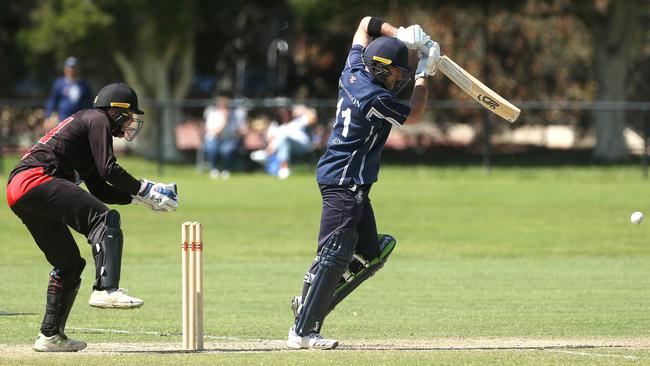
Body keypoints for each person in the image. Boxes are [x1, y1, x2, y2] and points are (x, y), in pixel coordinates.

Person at [286, 17, 439, 349]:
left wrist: (399, 34)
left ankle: (311, 302)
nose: (400, 78)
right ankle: (303, 330)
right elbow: (415, 115)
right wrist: (426, 71)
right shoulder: (375, 97)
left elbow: (364, 24)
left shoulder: (353, 68)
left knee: (373, 252)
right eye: (398, 72)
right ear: (382, 70)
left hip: (349, 179)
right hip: (345, 180)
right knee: (335, 251)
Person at [6, 82, 179, 352]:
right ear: (116, 111)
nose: (131, 121)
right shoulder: (97, 118)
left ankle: (50, 336)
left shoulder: (86, 131)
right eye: (130, 115)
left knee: (69, 264)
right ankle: (106, 289)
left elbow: (100, 188)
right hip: (36, 180)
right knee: (104, 219)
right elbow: (109, 169)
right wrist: (145, 188)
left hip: (20, 191)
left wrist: (140, 198)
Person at [251, 105, 317, 179]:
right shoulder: (275, 126)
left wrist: (303, 110)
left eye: (285, 113)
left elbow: (313, 118)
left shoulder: (298, 121)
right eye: (281, 113)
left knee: (283, 138)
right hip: (283, 148)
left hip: (303, 146)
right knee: (281, 141)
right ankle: (268, 156)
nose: (283, 115)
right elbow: (270, 140)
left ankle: (281, 166)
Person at [203, 96, 248, 179]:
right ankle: (214, 169)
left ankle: (226, 169)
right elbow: (212, 131)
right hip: (214, 139)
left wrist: (239, 131)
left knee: (226, 150)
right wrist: (224, 122)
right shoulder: (213, 115)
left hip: (230, 140)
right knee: (211, 147)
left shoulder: (236, 116)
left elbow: (243, 131)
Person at [44, 56, 94, 123]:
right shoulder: (59, 83)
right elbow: (52, 100)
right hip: (63, 120)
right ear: (65, 69)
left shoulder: (84, 84)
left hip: (80, 121)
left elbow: (90, 101)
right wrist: (48, 115)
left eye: (74, 67)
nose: (72, 70)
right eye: (70, 67)